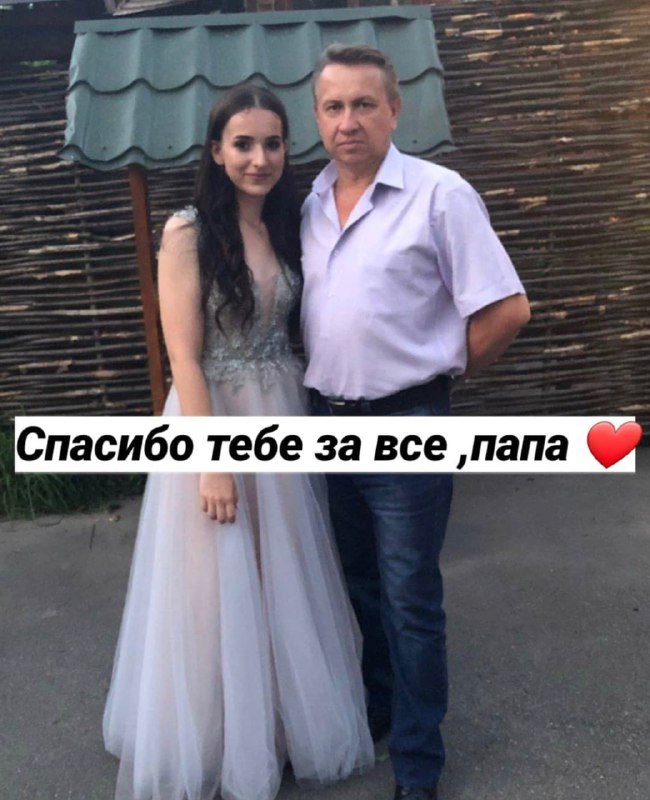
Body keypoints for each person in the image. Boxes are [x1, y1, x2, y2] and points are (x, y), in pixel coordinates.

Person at [103, 84, 373, 800]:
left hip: (282, 412)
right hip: (213, 415)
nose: (260, 158)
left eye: (273, 143)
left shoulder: (289, 223)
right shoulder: (187, 232)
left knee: (281, 568)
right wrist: (212, 462)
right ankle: (216, 735)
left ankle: (279, 725)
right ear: (217, 152)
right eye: (244, 144)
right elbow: (183, 356)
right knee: (214, 579)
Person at [301, 45, 531, 800]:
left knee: (409, 601)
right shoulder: (310, 202)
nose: (349, 121)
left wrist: (439, 373)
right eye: (334, 106)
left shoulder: (440, 194)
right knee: (362, 586)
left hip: (408, 425)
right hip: (327, 426)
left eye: (364, 104)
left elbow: (508, 309)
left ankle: (418, 762)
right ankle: (381, 709)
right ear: (318, 117)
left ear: (395, 110)